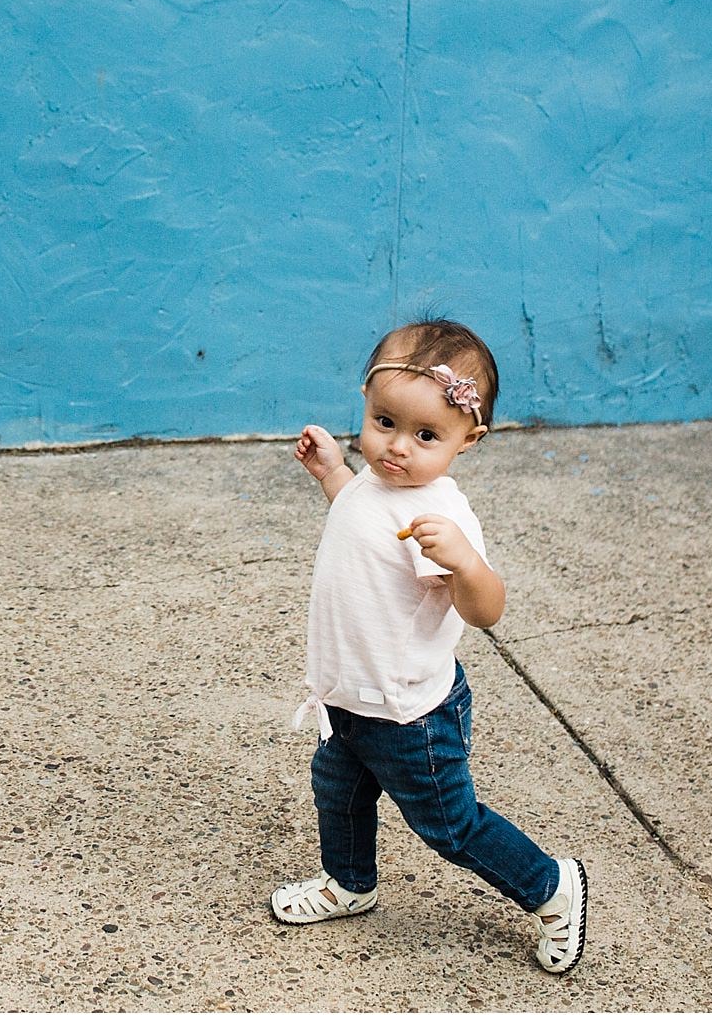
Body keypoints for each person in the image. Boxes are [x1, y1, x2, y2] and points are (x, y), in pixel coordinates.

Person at [268, 318, 586, 975]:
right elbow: (356, 513)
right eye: (384, 421)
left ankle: (551, 886)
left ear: (467, 439)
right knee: (338, 793)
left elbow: (486, 608)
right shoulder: (376, 483)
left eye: (425, 435)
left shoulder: (439, 517)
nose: (397, 448)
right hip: (350, 702)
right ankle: (350, 882)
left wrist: (467, 563)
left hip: (410, 716)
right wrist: (333, 470)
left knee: (451, 824)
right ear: (365, 399)